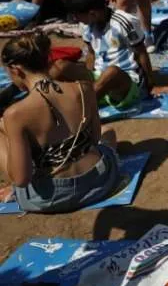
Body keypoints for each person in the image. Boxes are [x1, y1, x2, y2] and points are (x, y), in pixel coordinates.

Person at [0, 32, 119, 213]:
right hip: (101, 180)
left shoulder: (15, 114)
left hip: (54, 197)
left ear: (16, 69)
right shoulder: (83, 88)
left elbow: (22, 179)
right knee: (107, 131)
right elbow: (94, 139)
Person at [60, 0, 153, 110]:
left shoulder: (124, 21)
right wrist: (88, 77)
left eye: (77, 16)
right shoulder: (86, 26)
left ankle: (77, 110)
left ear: (92, 14)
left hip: (126, 82)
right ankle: (47, 103)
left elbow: (141, 53)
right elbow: (91, 53)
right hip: (100, 78)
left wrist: (151, 85)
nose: (76, 19)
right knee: (60, 66)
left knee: (111, 72)